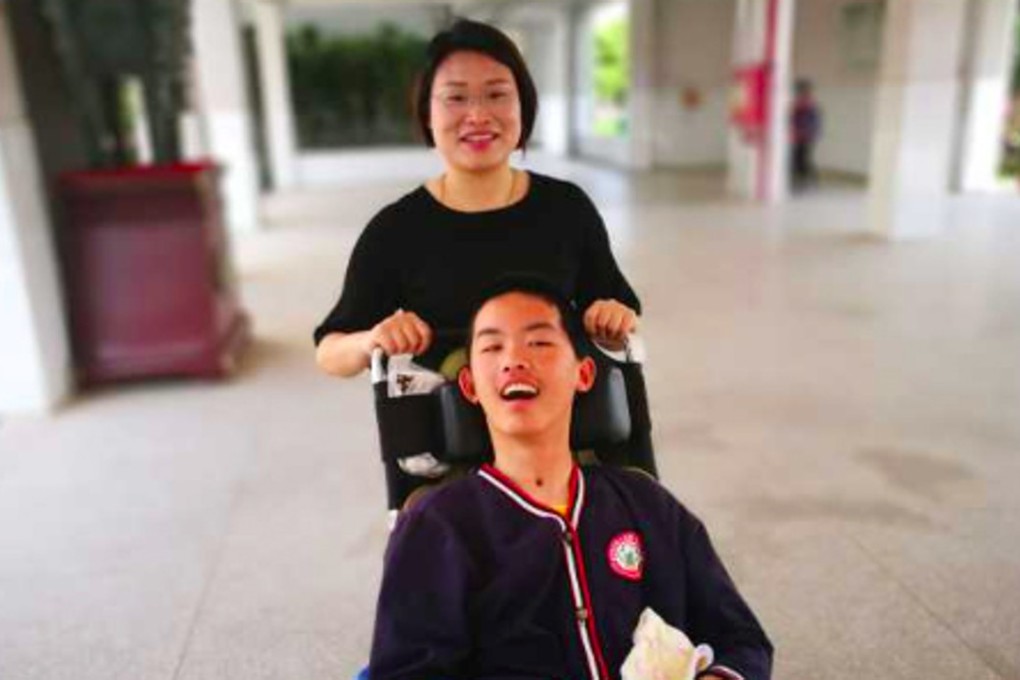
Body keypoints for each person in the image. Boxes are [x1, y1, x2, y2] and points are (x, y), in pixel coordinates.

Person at [367, 275, 773, 680]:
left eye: (539, 342)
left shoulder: (648, 506)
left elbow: (740, 638)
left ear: (584, 373)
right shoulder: (437, 527)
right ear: (470, 386)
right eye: (492, 346)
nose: (513, 360)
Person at [313, 18, 640, 380]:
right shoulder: (397, 229)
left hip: (561, 426)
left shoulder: (567, 208)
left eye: (497, 94)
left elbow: (617, 319)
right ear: (427, 113)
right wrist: (369, 341)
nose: (478, 116)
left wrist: (612, 322)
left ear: (523, 105)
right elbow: (330, 352)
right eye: (456, 97)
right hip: (448, 429)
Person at [790, 78, 821, 190]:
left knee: (801, 159)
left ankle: (807, 181)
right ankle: (802, 180)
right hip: (800, 135)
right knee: (798, 158)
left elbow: (810, 121)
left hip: (805, 135)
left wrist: (805, 132)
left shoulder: (808, 103)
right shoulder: (804, 102)